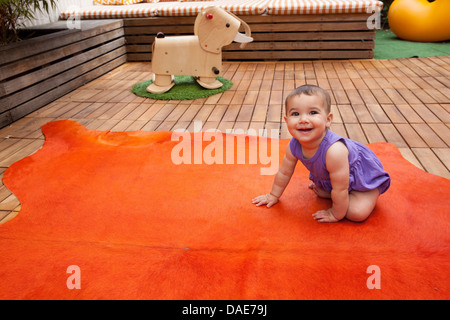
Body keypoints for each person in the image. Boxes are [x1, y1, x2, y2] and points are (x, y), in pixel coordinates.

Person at [252, 85, 390, 223]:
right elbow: (284, 173)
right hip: (338, 180)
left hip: (363, 179)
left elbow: (341, 188)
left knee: (355, 213)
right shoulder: (293, 145)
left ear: (328, 120)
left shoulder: (334, 151)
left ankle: (371, 192)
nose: (303, 119)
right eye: (295, 114)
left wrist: (335, 214)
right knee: (330, 192)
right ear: (286, 120)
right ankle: (335, 193)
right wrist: (273, 195)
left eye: (312, 112)